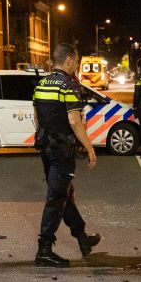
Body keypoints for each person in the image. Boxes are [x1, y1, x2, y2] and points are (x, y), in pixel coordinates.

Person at [32, 43, 101, 267]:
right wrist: (89, 148)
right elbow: (74, 121)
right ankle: (44, 249)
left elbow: (36, 117)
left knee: (64, 196)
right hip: (62, 149)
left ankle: (82, 239)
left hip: (46, 147)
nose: (76, 66)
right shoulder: (67, 86)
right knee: (56, 197)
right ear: (69, 61)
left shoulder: (41, 84)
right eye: (77, 62)